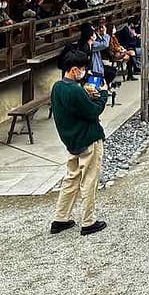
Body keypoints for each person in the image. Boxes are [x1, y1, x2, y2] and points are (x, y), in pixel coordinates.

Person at [50, 47, 108, 236]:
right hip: (89, 138)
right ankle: (88, 220)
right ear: (74, 69)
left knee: (71, 178)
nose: (84, 72)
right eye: (82, 68)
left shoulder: (58, 87)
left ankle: (61, 217)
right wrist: (103, 95)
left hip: (71, 140)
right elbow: (93, 112)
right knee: (89, 179)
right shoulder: (75, 90)